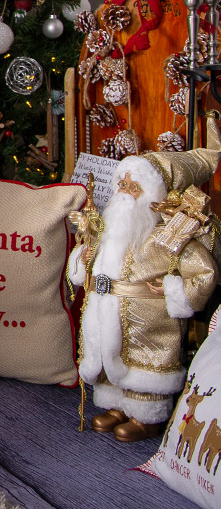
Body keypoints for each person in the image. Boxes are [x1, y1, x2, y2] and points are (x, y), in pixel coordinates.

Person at [67, 122, 221, 442]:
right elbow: (92, 253)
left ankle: (146, 415)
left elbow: (205, 272)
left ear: (152, 195)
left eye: (133, 186)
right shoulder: (111, 228)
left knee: (146, 361)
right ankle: (117, 406)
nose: (124, 191)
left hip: (150, 321)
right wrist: (82, 261)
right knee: (112, 353)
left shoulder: (167, 236)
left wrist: (174, 291)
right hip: (107, 310)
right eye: (121, 183)